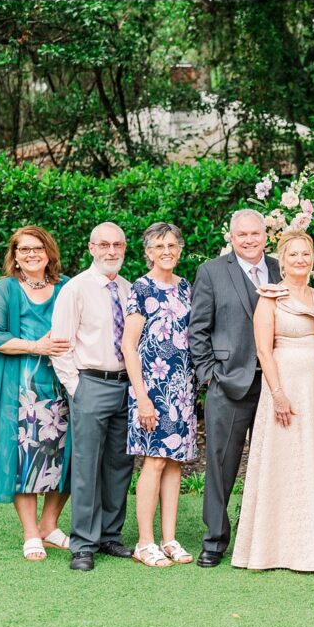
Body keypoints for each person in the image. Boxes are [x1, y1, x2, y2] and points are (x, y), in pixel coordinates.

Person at [232, 231, 314, 571]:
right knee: (284, 461)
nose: (300, 260)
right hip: (286, 387)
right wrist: (278, 394)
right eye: (293, 254)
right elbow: (264, 349)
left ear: (313, 258)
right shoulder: (270, 298)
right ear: (281, 260)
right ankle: (275, 547)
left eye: (305, 254)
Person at [189, 209, 281, 567]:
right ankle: (214, 540)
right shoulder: (212, 272)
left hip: (275, 385)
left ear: (264, 236)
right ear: (231, 237)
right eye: (241, 234)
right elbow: (198, 329)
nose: (248, 240)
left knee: (273, 462)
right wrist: (210, 374)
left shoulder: (279, 268)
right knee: (221, 464)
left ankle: (266, 537)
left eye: (254, 234)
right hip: (227, 383)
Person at [0, 226, 72, 561]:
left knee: (64, 456)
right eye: (23, 250)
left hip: (63, 386)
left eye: (37, 248)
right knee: (25, 458)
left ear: (49, 252)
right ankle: (30, 532)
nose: (31, 255)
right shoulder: (4, 290)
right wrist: (37, 346)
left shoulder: (66, 287)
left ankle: (49, 525)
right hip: (19, 391)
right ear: (14, 257)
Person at [51, 222, 136, 571]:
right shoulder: (75, 289)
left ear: (125, 248)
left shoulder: (131, 289)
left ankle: (110, 536)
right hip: (91, 384)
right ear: (91, 248)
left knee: (119, 465)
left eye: (117, 244)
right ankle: (83, 544)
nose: (111, 251)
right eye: (104, 244)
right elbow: (60, 344)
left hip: (126, 385)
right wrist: (78, 389)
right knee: (86, 467)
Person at [121, 223, 196, 567]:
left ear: (180, 249)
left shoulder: (185, 287)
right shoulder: (140, 287)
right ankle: (144, 542)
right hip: (152, 389)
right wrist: (143, 397)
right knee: (153, 461)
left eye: (172, 244)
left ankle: (169, 538)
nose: (166, 250)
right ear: (148, 252)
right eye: (158, 246)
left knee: (174, 463)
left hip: (180, 390)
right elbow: (129, 345)